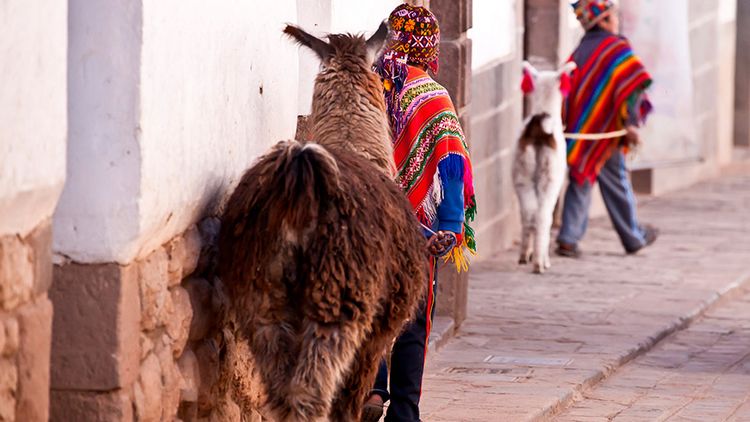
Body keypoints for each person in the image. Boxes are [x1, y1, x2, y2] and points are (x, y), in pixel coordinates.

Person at [363, 4, 477, 422]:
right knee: (412, 313)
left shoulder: (370, 84)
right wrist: (449, 225)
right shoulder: (433, 95)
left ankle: (372, 388)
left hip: (369, 215)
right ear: (428, 45)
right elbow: (450, 163)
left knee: (370, 303)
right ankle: (405, 410)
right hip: (419, 227)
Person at [556, 0, 658, 257]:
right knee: (616, 181)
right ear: (602, 20)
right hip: (608, 130)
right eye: (613, 15)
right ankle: (633, 236)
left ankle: (568, 237)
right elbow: (631, 87)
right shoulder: (617, 48)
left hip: (582, 130)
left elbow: (569, 91)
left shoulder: (579, 51)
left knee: (580, 177)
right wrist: (631, 123)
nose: (617, 20)